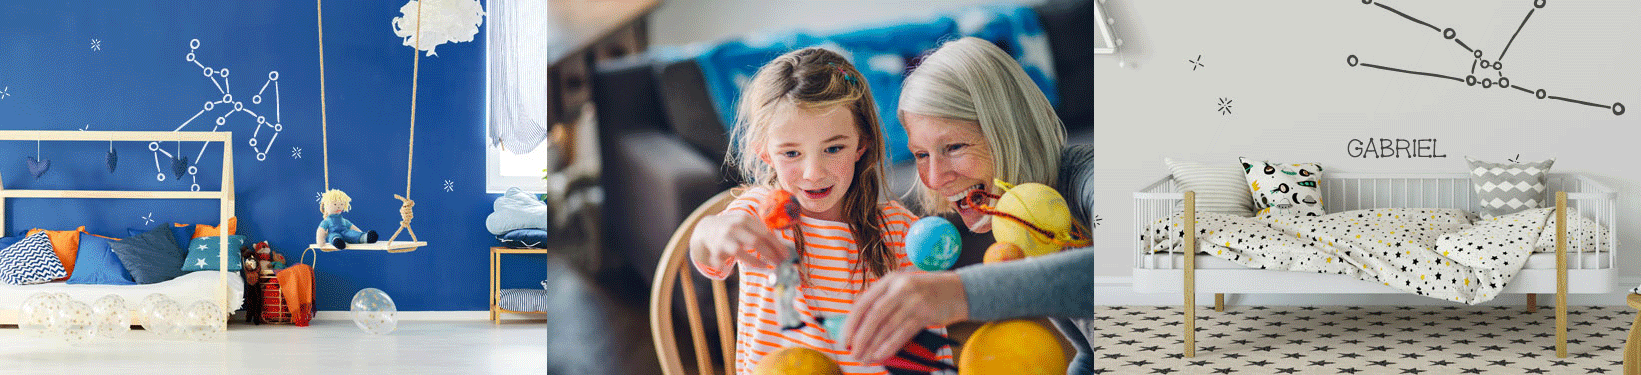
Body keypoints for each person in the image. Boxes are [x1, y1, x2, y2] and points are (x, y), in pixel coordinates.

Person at [687, 47, 949, 375]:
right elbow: (705, 249)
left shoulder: (900, 232)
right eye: (792, 153)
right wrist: (713, 230)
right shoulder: (757, 213)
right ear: (765, 152)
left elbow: (927, 348)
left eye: (833, 148)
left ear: (861, 143)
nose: (813, 172)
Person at [844, 37, 1095, 374]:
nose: (934, 178)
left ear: (1011, 132)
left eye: (955, 146)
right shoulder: (1023, 215)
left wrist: (956, 293)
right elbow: (1093, 348)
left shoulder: (1091, 179)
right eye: (921, 155)